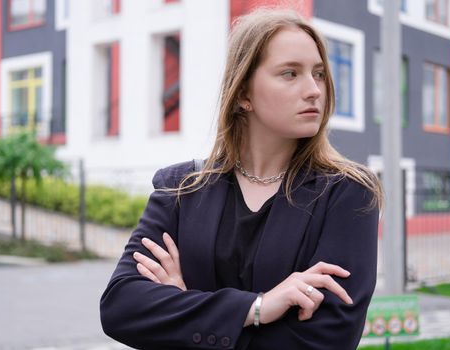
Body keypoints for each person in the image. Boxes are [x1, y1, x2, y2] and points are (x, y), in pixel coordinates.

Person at [100, 7, 381, 350]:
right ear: (244, 93)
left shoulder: (348, 193)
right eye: (290, 73)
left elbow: (327, 340)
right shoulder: (180, 187)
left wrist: (185, 309)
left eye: (319, 74)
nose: (314, 90)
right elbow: (121, 308)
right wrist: (257, 308)